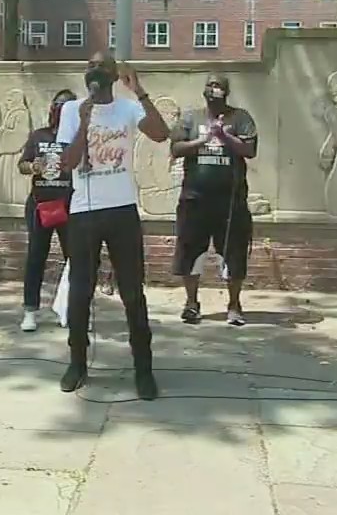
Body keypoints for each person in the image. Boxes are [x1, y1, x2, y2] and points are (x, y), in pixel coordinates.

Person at [56, 52, 170, 400]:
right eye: (89, 65)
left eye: (101, 66)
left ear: (113, 74)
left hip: (122, 211)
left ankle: (144, 369)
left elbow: (161, 134)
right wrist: (85, 123)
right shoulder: (72, 110)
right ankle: (77, 362)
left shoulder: (127, 108)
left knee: (132, 293)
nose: (94, 70)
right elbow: (66, 163)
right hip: (84, 212)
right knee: (80, 292)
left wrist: (141, 93)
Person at [169, 73, 258, 326]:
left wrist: (224, 136)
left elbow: (249, 150)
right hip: (195, 197)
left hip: (230, 199)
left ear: (226, 91)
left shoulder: (240, 118)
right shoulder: (190, 117)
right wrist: (203, 139)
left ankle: (234, 305)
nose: (213, 89)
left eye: (218, 85)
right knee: (190, 252)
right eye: (209, 85)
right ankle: (191, 303)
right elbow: (175, 149)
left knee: (234, 252)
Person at [17, 89, 76, 332]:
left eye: (67, 108)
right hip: (40, 203)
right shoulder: (38, 135)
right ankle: (30, 310)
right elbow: (21, 164)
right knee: (35, 258)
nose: (61, 112)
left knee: (75, 259)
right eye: (58, 107)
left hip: (69, 204)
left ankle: (71, 309)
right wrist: (33, 166)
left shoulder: (77, 137)